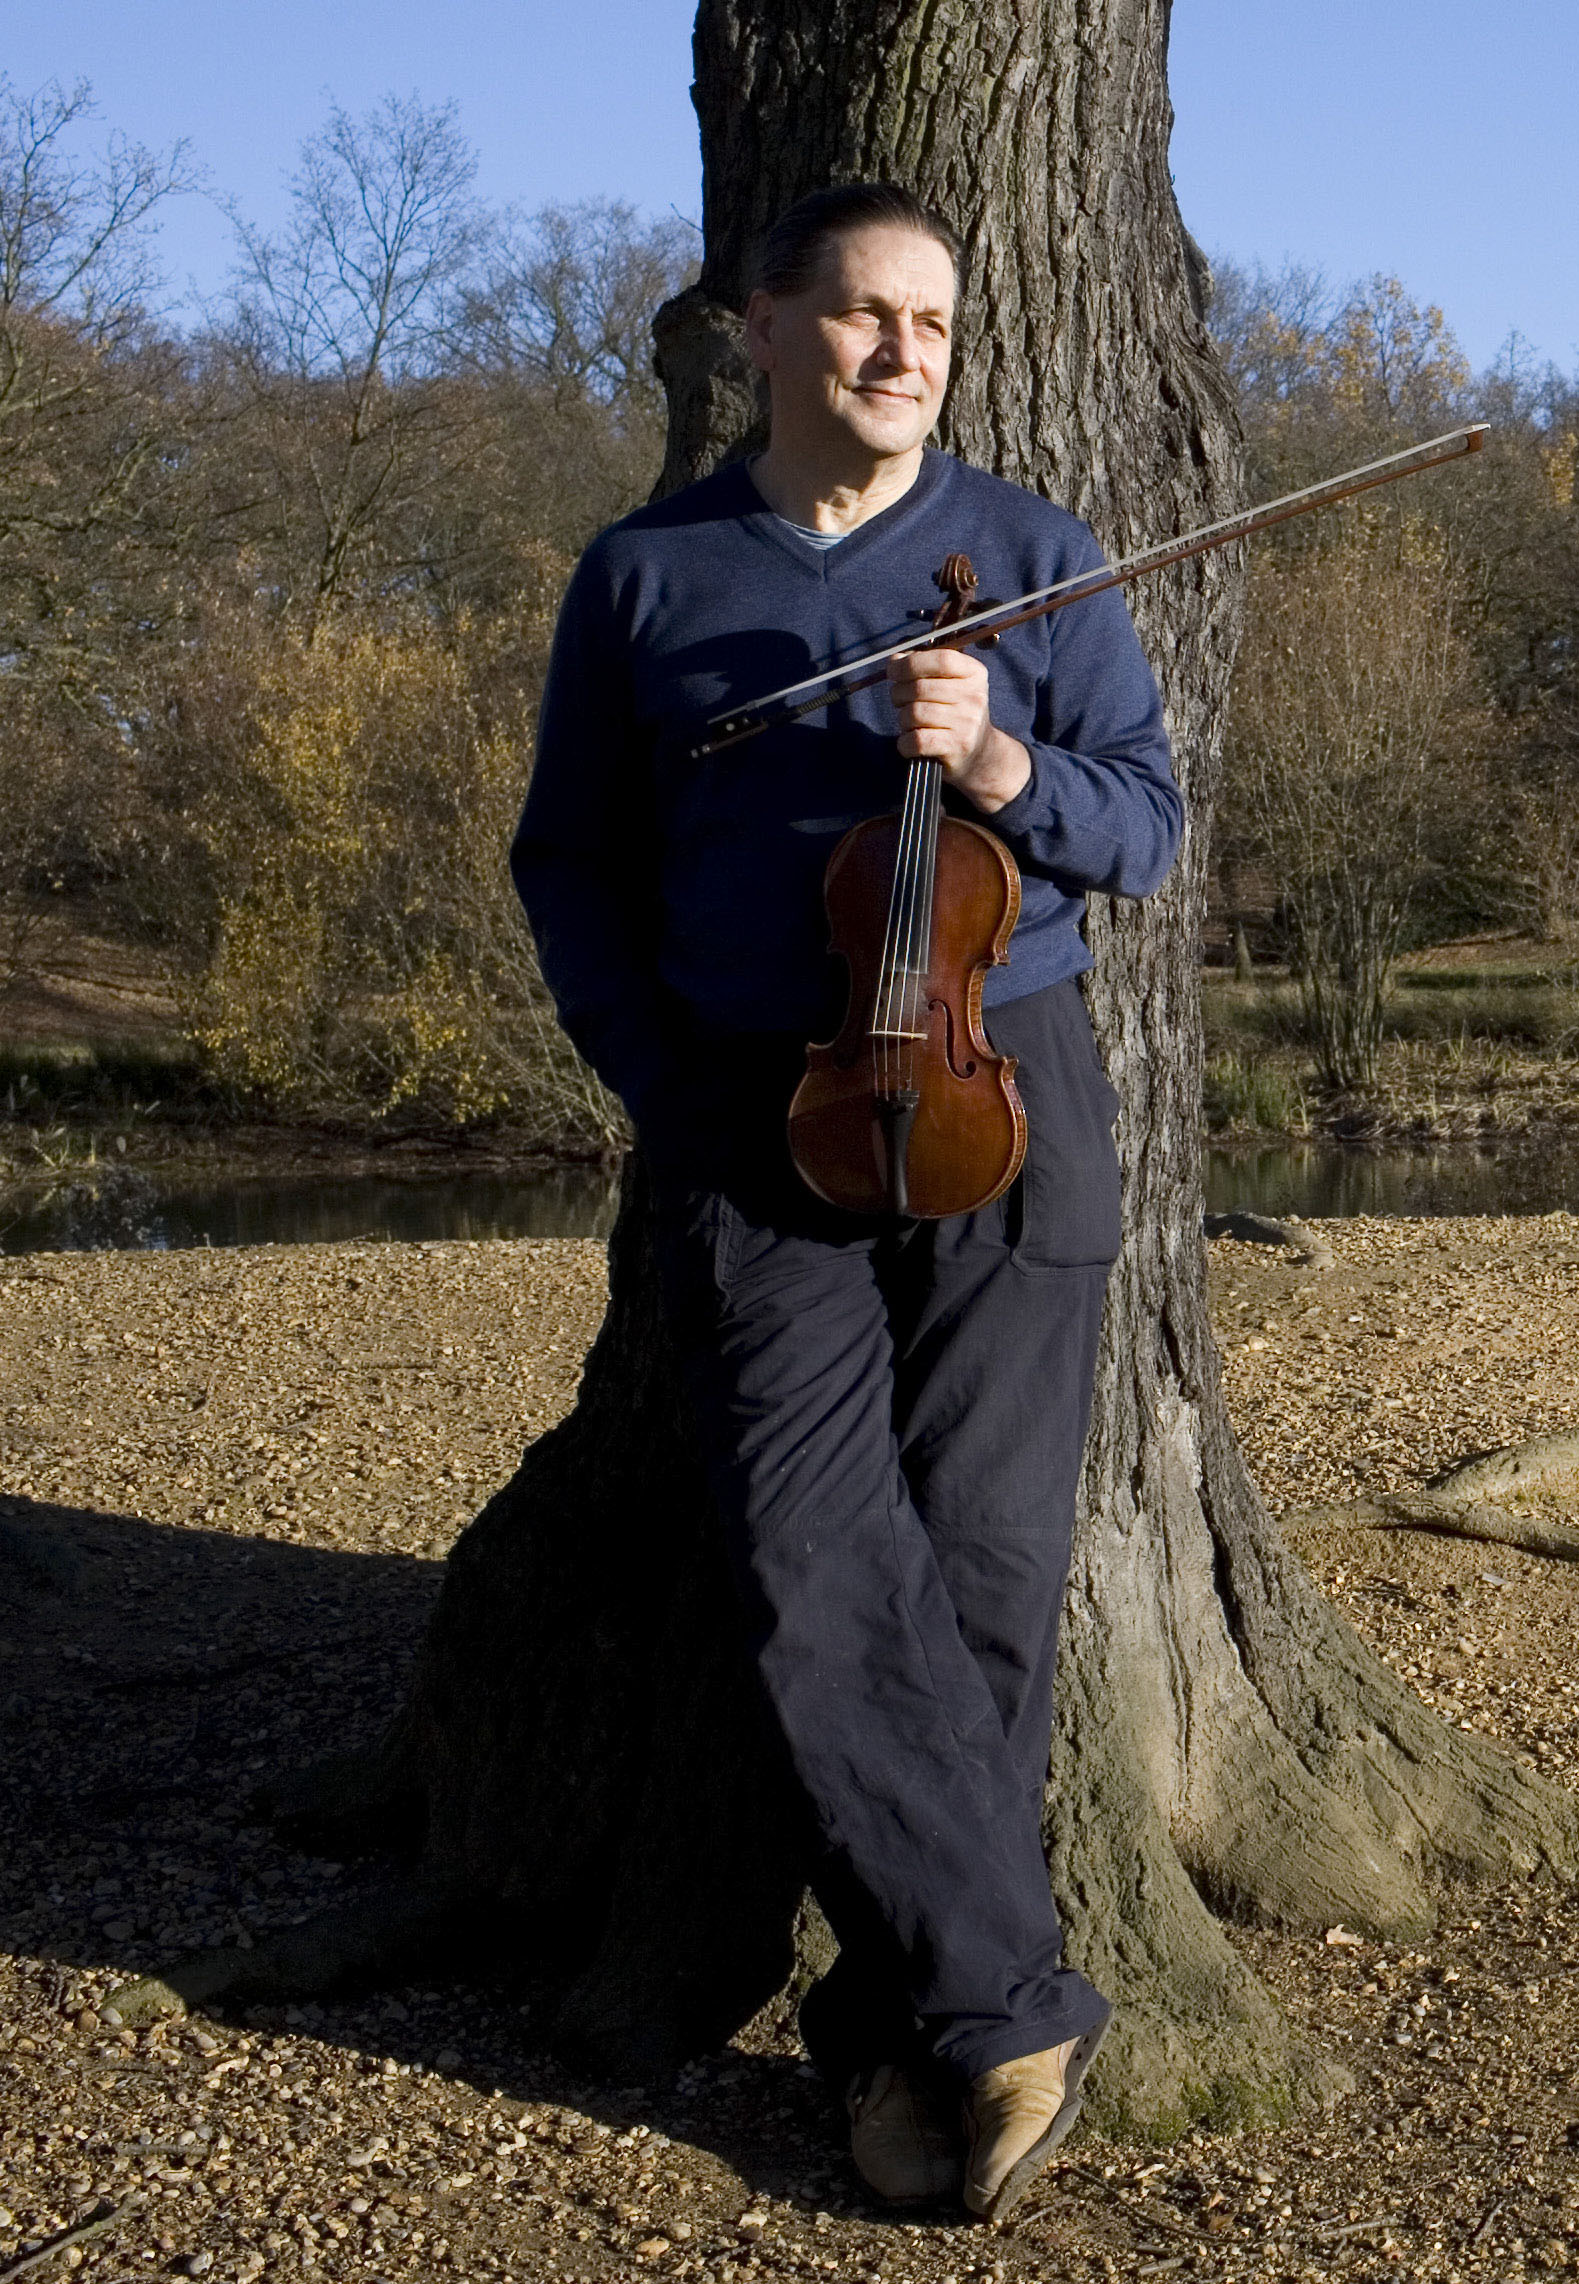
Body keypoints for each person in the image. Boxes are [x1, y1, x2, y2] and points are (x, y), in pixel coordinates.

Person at [511, 181, 1182, 2222]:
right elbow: (569, 861)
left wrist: (1002, 774)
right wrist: (659, 1082)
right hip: (753, 1114)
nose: (905, 351)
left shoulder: (1038, 560)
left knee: (982, 1572)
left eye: (935, 322)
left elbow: (1144, 828)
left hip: (999, 1090)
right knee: (813, 1572)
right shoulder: (649, 576)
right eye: (866, 312)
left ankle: (907, 2035)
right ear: (762, 325)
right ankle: (1007, 2004)